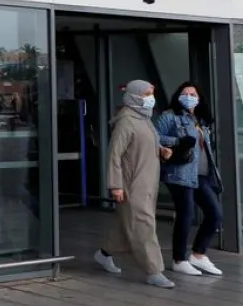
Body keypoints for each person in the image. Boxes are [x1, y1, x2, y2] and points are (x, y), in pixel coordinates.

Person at [94, 80, 176, 288]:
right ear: (135, 96)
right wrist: (116, 185)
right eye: (147, 94)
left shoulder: (145, 119)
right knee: (143, 225)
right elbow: (115, 155)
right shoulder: (126, 122)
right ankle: (153, 270)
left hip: (148, 182)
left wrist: (161, 150)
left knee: (127, 225)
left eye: (152, 93)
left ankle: (104, 253)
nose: (151, 98)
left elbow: (147, 143)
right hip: (133, 184)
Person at [156, 82, 223, 277]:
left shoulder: (200, 119)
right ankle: (179, 259)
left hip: (201, 175)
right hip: (179, 173)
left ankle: (198, 254)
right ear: (178, 96)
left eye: (192, 93)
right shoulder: (169, 116)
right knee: (186, 215)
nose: (188, 96)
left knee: (215, 214)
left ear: (199, 97)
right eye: (184, 93)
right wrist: (177, 141)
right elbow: (155, 136)